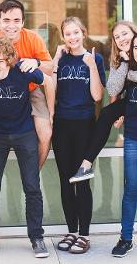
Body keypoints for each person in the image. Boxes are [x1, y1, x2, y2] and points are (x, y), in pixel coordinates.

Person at [0, 35, 54, 258]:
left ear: (9, 59)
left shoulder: (23, 71)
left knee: (32, 187)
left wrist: (51, 113)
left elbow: (49, 81)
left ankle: (37, 237)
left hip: (24, 132)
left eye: (0, 61)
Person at [0, 0, 53, 206]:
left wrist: (38, 62)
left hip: (30, 91)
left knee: (46, 133)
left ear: (23, 22)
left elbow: (50, 68)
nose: (11, 25)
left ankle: (31, 178)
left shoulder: (32, 39)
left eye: (16, 20)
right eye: (6, 20)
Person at [52, 17, 106, 254]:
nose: (72, 38)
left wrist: (92, 65)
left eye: (76, 33)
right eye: (68, 34)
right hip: (61, 125)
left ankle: (84, 235)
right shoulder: (61, 59)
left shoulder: (95, 58)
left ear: (83, 33)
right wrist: (54, 59)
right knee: (65, 181)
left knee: (81, 181)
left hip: (84, 125)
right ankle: (72, 230)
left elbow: (97, 96)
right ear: (63, 37)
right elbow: (51, 90)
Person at [70, 21, 137, 183]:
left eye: (125, 34)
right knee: (106, 113)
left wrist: (128, 68)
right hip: (131, 102)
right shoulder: (117, 58)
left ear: (134, 33)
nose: (121, 39)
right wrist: (124, 63)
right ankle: (86, 165)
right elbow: (113, 89)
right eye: (117, 37)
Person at [110, 34, 137, 257]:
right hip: (132, 139)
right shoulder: (128, 73)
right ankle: (126, 238)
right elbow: (112, 89)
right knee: (131, 189)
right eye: (136, 47)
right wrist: (126, 61)